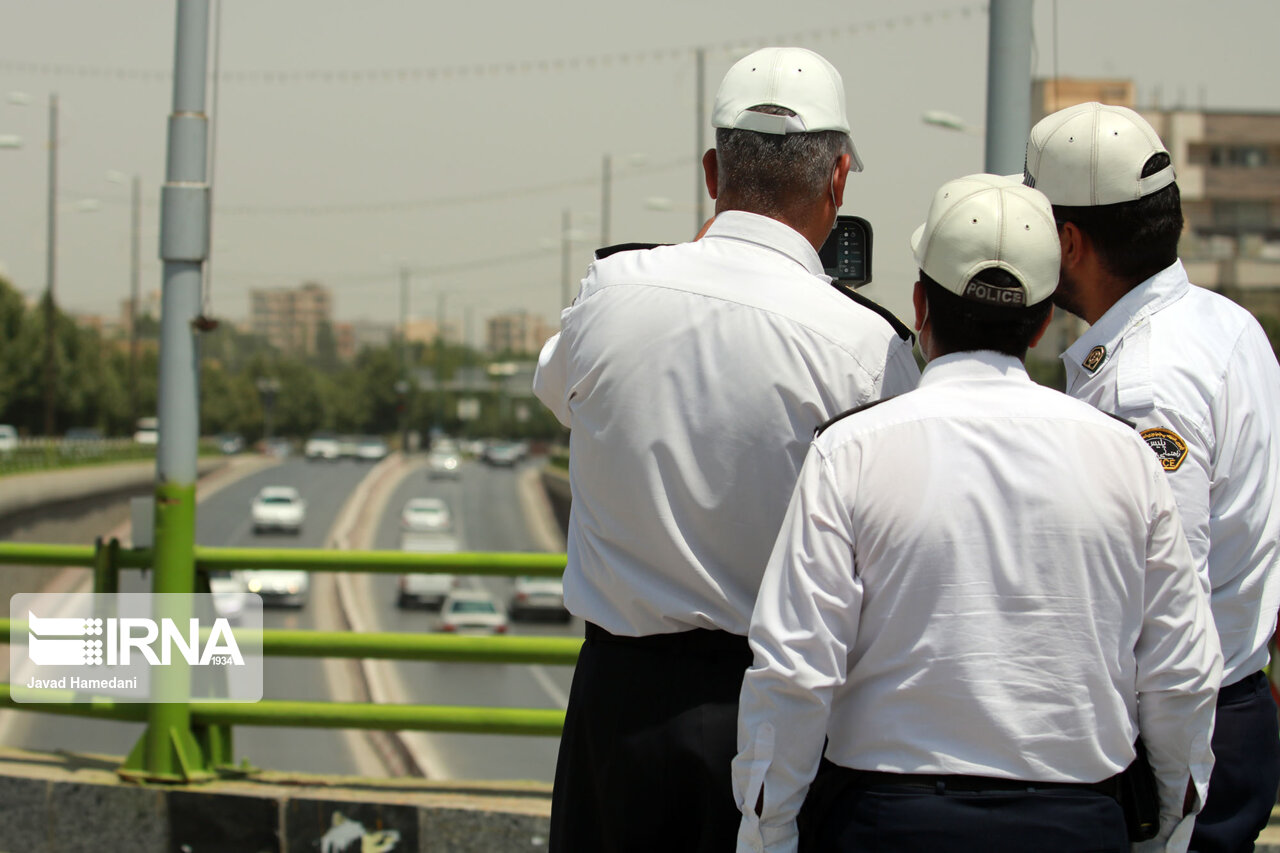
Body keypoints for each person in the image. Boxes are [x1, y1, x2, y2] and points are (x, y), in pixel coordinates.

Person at [731, 174, 1221, 853]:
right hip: (1077, 819)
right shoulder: (1128, 460)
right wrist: (1166, 823)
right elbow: (1181, 672)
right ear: (1045, 320)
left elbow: (794, 670)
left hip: (886, 821)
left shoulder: (850, 452)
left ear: (919, 303)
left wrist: (768, 831)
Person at [532, 46, 920, 853]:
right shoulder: (868, 347)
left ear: (713, 170)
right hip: (779, 711)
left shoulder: (613, 292)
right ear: (838, 179)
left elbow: (554, 390)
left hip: (617, 704)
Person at [1024, 101, 1280, 853]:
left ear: (1068, 242)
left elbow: (1163, 605)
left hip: (1174, 729)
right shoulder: (1224, 324)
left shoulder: (1144, 384)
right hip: (1224, 705)